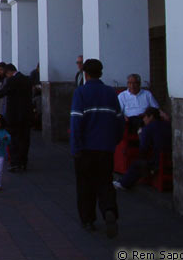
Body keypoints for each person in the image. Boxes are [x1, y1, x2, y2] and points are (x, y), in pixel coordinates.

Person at [70, 58, 123, 238]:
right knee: (105, 182)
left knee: (85, 185)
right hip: (105, 147)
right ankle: (109, 210)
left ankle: (88, 219)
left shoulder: (81, 93)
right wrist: (114, 140)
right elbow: (119, 120)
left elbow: (76, 121)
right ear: (101, 73)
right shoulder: (110, 93)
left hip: (85, 148)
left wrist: (75, 147)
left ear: (85, 73)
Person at [0, 64, 33, 172]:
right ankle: (23, 161)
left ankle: (15, 163)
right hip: (26, 115)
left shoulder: (11, 81)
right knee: (24, 139)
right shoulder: (27, 79)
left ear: (9, 72)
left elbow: (1, 93)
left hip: (14, 115)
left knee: (13, 139)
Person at [114, 106, 171, 190]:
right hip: (170, 158)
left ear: (151, 116)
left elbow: (143, 148)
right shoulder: (167, 125)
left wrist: (141, 135)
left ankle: (124, 184)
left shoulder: (148, 128)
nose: (143, 119)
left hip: (157, 161)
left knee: (137, 164)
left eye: (144, 117)